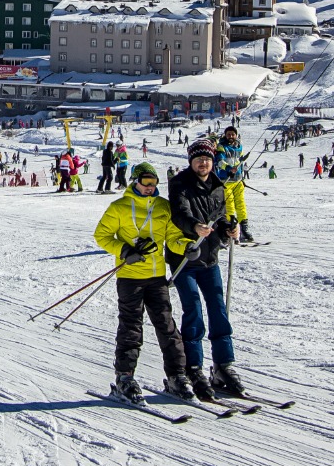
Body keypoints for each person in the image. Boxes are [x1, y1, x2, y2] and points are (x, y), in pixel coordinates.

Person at [92, 161, 194, 406]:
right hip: (129, 277)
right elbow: (102, 235)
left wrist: (185, 246)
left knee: (167, 326)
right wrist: (125, 250)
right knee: (131, 327)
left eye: (154, 184)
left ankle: (176, 376)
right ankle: (124, 377)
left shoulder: (162, 206)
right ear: (135, 181)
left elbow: (172, 236)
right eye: (146, 183)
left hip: (156, 276)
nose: (150, 188)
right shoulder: (119, 207)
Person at [165, 140, 250, 401]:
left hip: (210, 258)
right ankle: (193, 368)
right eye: (199, 159)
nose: (203, 163)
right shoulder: (180, 183)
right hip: (185, 259)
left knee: (218, 310)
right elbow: (179, 214)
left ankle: (224, 366)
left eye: (208, 159)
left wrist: (229, 229)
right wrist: (194, 227)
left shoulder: (218, 186)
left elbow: (222, 216)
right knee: (193, 311)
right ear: (191, 161)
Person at [215, 126, 254, 244]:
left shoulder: (239, 147)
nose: (231, 137)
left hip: (237, 181)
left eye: (233, 134)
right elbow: (220, 161)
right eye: (228, 134)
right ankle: (230, 230)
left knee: (241, 204)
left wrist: (241, 177)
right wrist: (228, 169)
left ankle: (244, 230)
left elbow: (240, 164)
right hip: (226, 181)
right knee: (230, 206)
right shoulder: (221, 146)